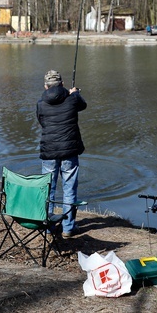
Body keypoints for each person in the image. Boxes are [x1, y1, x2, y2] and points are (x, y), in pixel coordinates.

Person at [36, 69, 87, 238]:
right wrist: (75, 93)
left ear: (45, 86)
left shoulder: (41, 103)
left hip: (49, 151)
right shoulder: (72, 100)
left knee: (48, 189)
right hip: (69, 151)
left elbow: (42, 122)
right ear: (62, 84)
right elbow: (83, 105)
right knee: (69, 188)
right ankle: (68, 228)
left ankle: (48, 226)